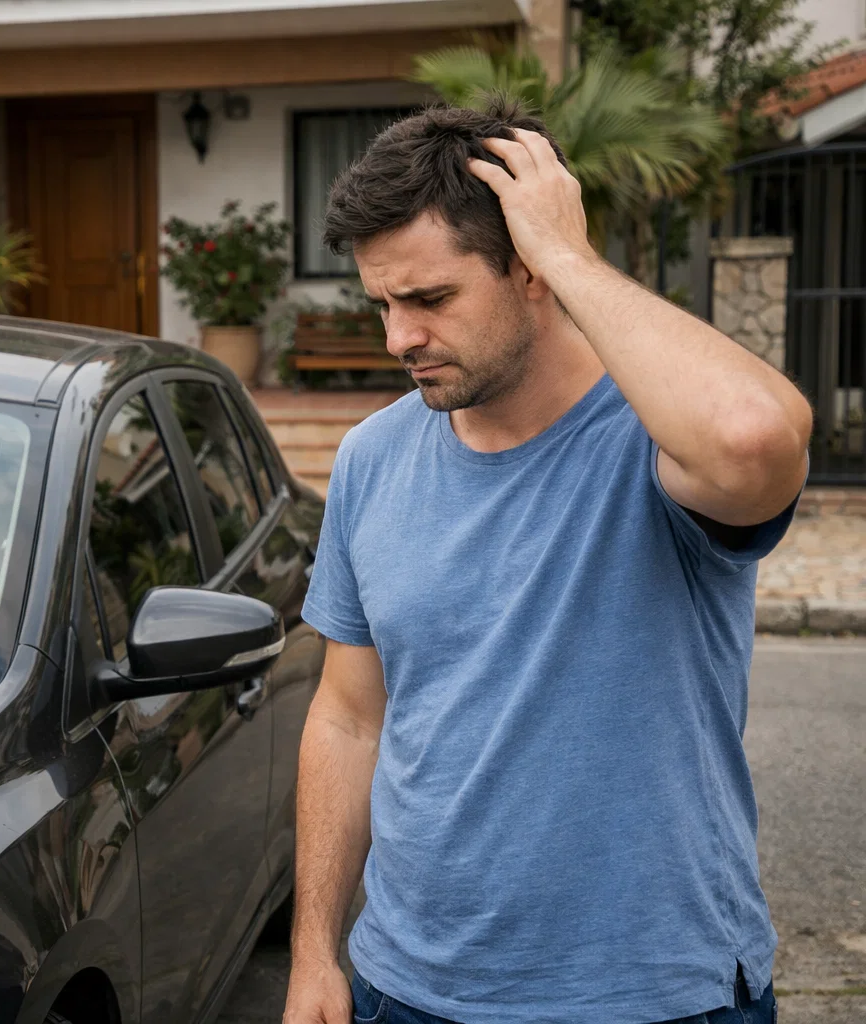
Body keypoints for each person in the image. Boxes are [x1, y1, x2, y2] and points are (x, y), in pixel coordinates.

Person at [284, 100, 810, 1024]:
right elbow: (349, 717)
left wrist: (570, 256)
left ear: (528, 268)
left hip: (652, 997)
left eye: (432, 299)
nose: (398, 337)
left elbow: (754, 436)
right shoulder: (372, 458)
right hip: (406, 989)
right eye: (382, 303)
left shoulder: (655, 444)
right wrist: (314, 953)